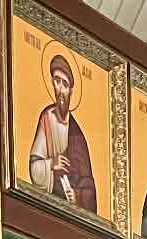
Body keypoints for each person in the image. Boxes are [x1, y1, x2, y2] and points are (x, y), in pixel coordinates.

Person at [28, 53, 98, 211]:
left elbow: (89, 185)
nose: (60, 89)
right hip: (48, 203)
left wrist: (77, 195)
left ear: (71, 91)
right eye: (57, 81)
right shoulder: (46, 118)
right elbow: (34, 167)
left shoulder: (76, 135)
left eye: (65, 84)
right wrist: (51, 163)